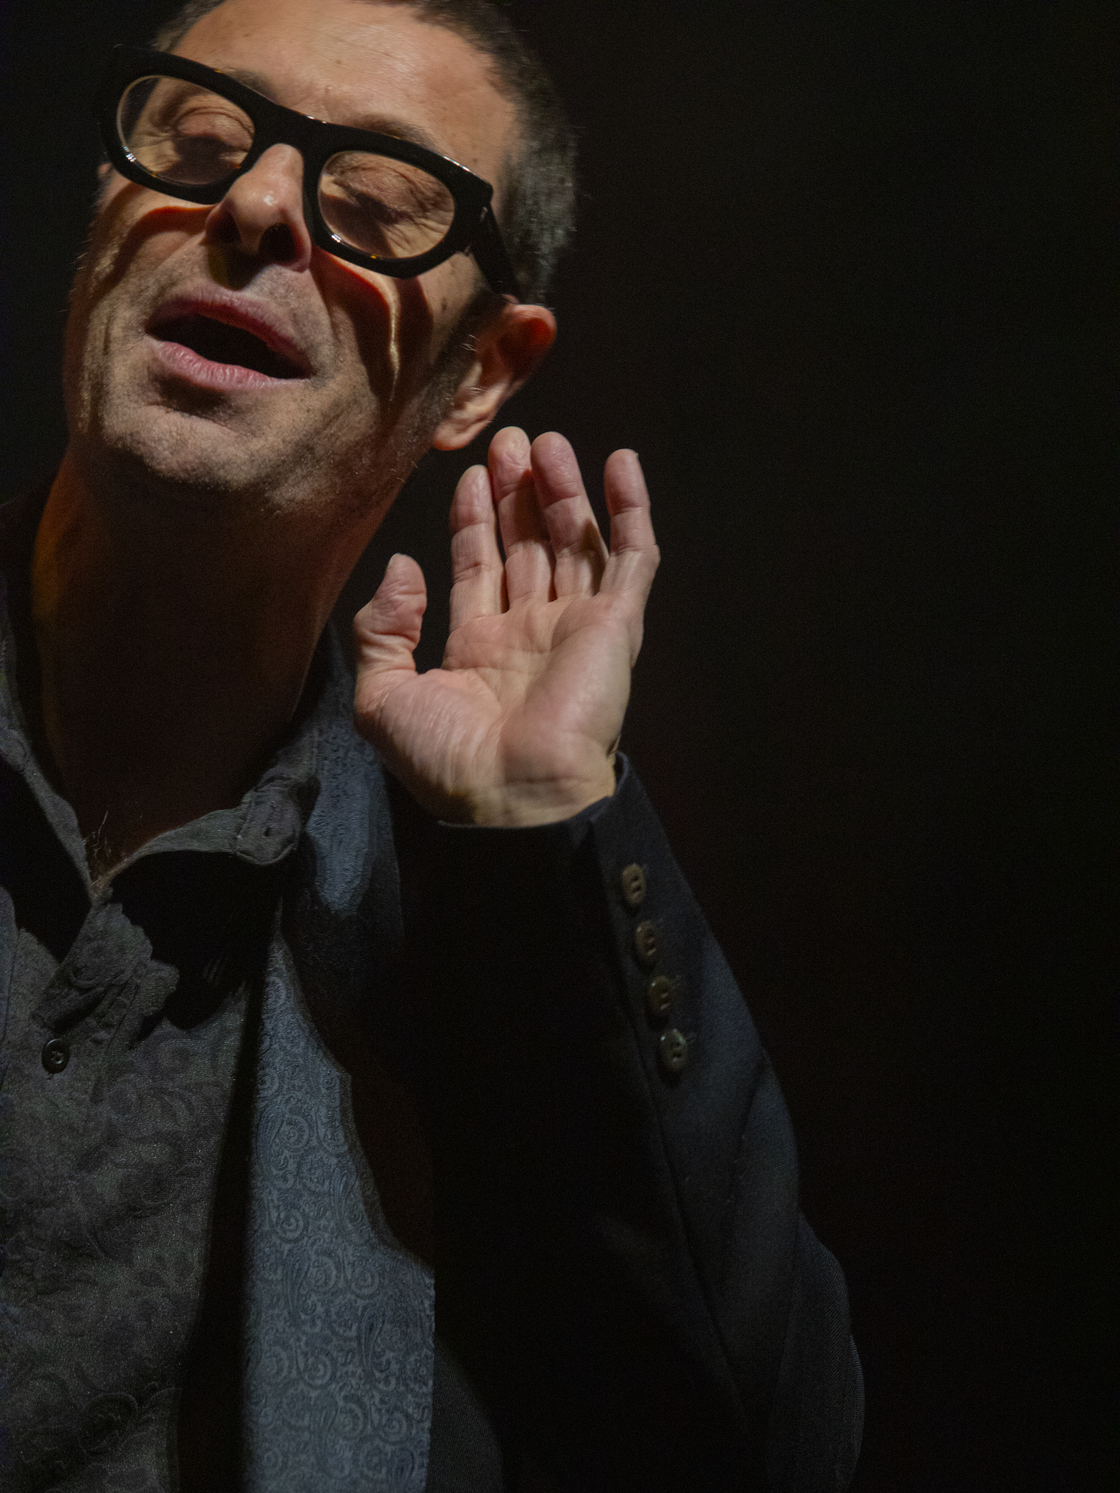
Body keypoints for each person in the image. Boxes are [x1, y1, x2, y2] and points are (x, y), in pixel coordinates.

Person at [0, 0, 863, 1488]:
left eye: (377, 203)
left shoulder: (469, 941)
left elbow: (761, 1445)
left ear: (479, 374)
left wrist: (553, 828)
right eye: (198, 140)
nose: (257, 206)